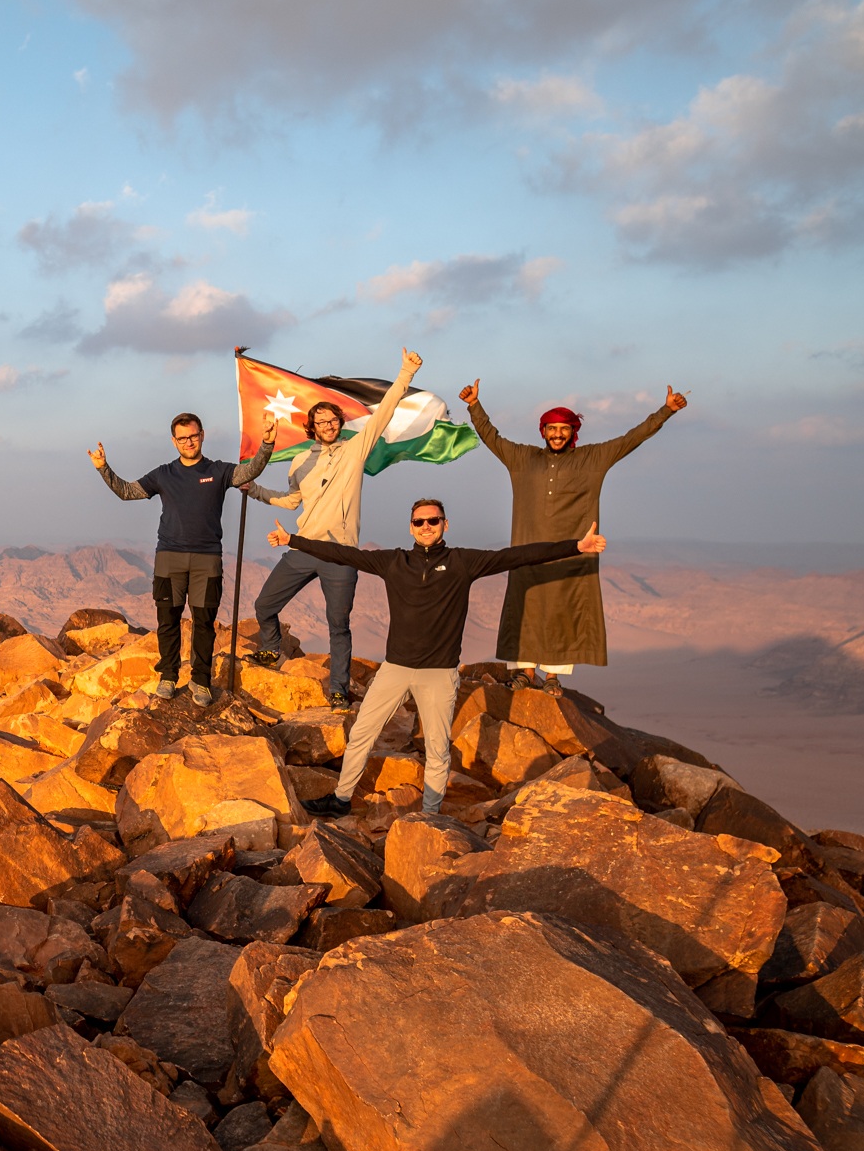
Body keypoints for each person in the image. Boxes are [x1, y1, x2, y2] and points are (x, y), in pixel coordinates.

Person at [267, 499, 606, 816]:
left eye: (433, 520)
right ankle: (341, 799)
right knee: (362, 734)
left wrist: (576, 546)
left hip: (439, 674)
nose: (426, 526)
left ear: (445, 524)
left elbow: (517, 556)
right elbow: (341, 554)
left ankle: (429, 815)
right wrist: (292, 540)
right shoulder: (394, 561)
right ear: (411, 527)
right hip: (396, 668)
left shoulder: (463, 562)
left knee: (437, 748)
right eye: (419, 521)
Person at [460, 380, 688, 695]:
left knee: (562, 608)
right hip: (526, 550)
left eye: (564, 429)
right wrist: (474, 405)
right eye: (551, 428)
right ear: (542, 432)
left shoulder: (592, 460)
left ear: (573, 432)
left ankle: (552, 676)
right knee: (524, 604)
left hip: (572, 552)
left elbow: (631, 439)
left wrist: (666, 411)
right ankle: (525, 672)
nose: (557, 434)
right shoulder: (523, 459)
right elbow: (492, 437)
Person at [242, 347, 423, 707]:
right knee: (264, 605)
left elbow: (382, 415)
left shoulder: (354, 451)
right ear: (312, 427)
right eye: (321, 422)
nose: (327, 426)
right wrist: (255, 490)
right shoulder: (299, 460)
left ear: (340, 424)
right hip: (303, 547)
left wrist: (405, 374)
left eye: (332, 421)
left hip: (340, 553)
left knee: (337, 625)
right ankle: (271, 648)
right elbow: (293, 499)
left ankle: (339, 688)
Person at [92, 413, 276, 705]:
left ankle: (201, 681)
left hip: (207, 559)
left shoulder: (219, 470)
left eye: (193, 436)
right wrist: (104, 468)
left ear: (202, 435)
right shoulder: (163, 474)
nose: (188, 442)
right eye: (182, 438)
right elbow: (127, 492)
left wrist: (267, 443)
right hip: (169, 557)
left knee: (204, 622)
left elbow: (250, 472)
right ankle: (168, 676)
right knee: (168, 621)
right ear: (173, 441)